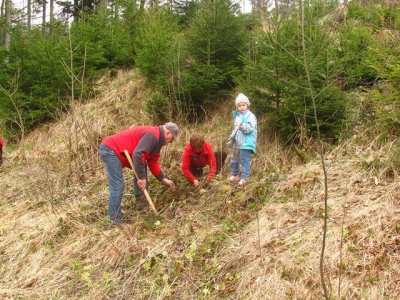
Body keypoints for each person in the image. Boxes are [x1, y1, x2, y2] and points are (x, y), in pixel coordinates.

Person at [99, 122, 179, 224]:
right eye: (172, 138)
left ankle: (141, 200)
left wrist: (163, 179)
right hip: (111, 149)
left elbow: (152, 162)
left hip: (121, 151)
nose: (170, 142)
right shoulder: (152, 135)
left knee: (142, 164)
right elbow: (138, 154)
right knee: (117, 184)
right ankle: (114, 218)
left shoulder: (157, 142)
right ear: (168, 132)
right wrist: (142, 178)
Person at [227, 93, 257, 185]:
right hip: (237, 142)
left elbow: (251, 128)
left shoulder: (250, 116)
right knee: (234, 159)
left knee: (244, 160)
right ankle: (235, 174)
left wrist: (243, 127)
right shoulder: (237, 116)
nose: (242, 107)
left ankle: (245, 177)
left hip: (246, 143)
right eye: (239, 106)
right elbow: (235, 128)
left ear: (247, 105)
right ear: (237, 107)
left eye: (243, 105)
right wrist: (231, 137)